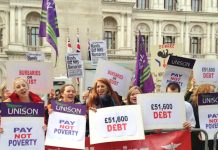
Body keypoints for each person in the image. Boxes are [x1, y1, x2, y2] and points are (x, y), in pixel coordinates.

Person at [187, 83, 216, 150]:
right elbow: (192, 121)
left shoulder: (214, 103)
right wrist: (198, 132)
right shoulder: (192, 104)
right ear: (205, 91)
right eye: (212, 91)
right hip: (197, 136)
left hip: (212, 135)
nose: (214, 93)